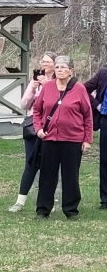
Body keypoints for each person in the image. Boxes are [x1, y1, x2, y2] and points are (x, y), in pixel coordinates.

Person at [33, 56, 93, 220]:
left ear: (70, 71)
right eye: (57, 67)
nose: (59, 70)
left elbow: (88, 116)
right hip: (50, 139)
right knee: (47, 175)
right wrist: (38, 129)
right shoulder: (47, 87)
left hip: (72, 139)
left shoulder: (79, 89)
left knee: (70, 176)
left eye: (63, 67)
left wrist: (87, 139)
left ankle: (71, 210)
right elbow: (37, 110)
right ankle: (43, 210)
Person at [9, 52, 57, 212]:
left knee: (50, 165)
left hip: (51, 127)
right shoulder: (35, 80)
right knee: (30, 164)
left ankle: (48, 201)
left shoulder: (59, 82)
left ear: (54, 64)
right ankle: (20, 202)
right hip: (33, 127)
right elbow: (24, 104)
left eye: (47, 61)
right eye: (42, 61)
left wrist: (48, 84)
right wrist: (33, 89)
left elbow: (57, 101)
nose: (44, 64)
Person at [84, 62, 107, 210]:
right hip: (106, 120)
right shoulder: (103, 73)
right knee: (105, 160)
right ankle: (105, 200)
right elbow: (83, 89)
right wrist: (97, 105)